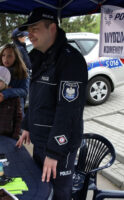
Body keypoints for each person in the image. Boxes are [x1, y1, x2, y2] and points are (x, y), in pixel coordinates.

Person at [15, 7, 88, 200]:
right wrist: (27, 125)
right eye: (28, 30)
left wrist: (54, 152)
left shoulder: (71, 60)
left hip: (59, 148)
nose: (29, 34)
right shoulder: (40, 57)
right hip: (40, 141)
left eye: (35, 28)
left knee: (59, 195)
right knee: (41, 190)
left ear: (52, 28)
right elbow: (38, 98)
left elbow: (69, 111)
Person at [0, 43, 29, 129]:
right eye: (3, 56)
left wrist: (6, 93)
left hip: (15, 113)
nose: (5, 59)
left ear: (16, 57)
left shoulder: (22, 71)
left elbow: (24, 91)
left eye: (9, 56)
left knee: (13, 138)